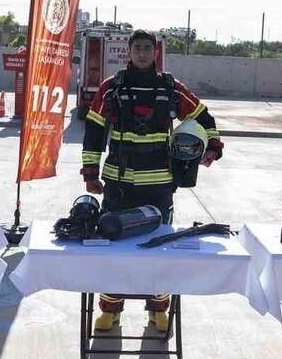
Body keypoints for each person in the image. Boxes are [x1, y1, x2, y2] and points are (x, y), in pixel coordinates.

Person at [81, 29, 223, 333]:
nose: (143, 53)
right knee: (113, 248)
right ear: (128, 52)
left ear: (155, 53)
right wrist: (90, 174)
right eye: (137, 48)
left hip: (159, 186)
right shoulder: (110, 88)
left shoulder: (170, 88)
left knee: (160, 250)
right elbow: (93, 132)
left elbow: (204, 117)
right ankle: (110, 308)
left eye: (148, 48)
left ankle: (159, 309)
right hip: (118, 185)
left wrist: (213, 147)